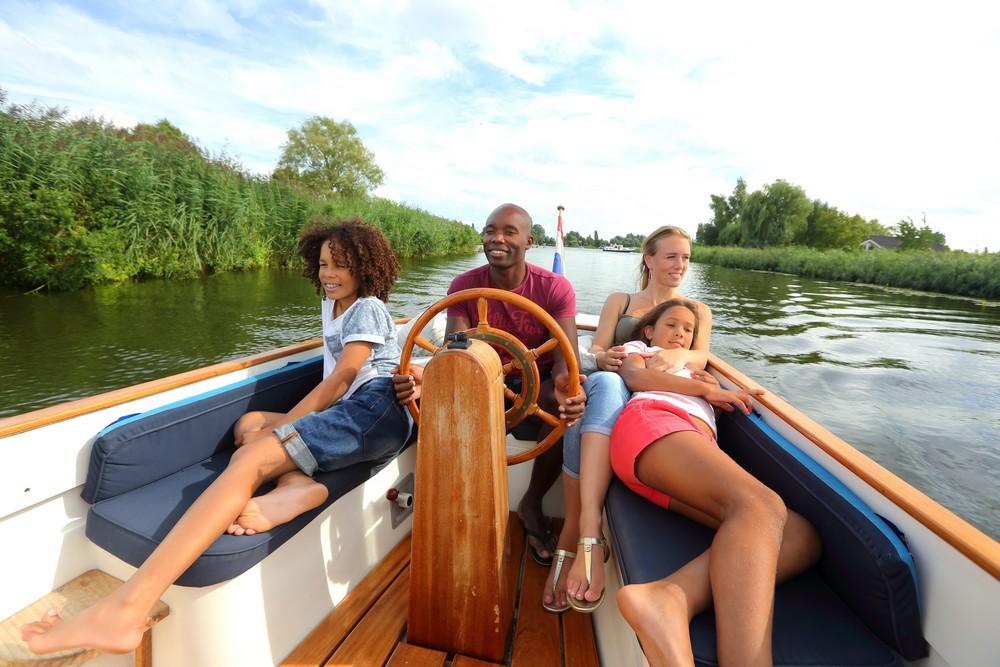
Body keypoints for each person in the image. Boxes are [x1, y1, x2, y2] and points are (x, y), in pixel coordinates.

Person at [22, 217, 411, 655]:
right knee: (248, 426)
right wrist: (274, 426)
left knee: (251, 456)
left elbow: (342, 377)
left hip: (374, 411)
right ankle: (300, 485)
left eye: (341, 265)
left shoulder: (369, 308)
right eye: (323, 264)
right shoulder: (332, 306)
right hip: (344, 415)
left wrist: (283, 428)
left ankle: (127, 610)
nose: (329, 274)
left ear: (367, 268)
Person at [612, 299, 821, 667]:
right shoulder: (642, 351)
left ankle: (672, 597)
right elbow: (636, 378)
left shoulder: (696, 366)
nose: (679, 332)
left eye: (687, 329)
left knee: (799, 535)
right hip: (653, 426)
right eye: (671, 324)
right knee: (762, 504)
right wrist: (706, 391)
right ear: (649, 330)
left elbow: (702, 360)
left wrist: (707, 385)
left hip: (684, 451)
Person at [394, 203, 586, 565]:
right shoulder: (464, 286)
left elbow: (564, 356)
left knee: (563, 407)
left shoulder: (555, 288)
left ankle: (530, 503)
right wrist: (425, 380)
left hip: (538, 382)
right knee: (450, 403)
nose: (497, 238)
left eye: (509, 232)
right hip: (479, 378)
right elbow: (454, 353)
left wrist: (566, 385)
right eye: (490, 230)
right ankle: (461, 508)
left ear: (529, 241)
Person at [544, 225, 714, 613]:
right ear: (649, 259)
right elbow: (601, 346)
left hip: (652, 395)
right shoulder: (620, 300)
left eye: (686, 257)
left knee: (591, 400)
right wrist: (603, 357)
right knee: (600, 384)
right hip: (613, 385)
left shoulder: (697, 312)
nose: (680, 264)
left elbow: (701, 357)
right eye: (671, 256)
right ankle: (585, 529)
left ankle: (574, 534)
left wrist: (680, 357)